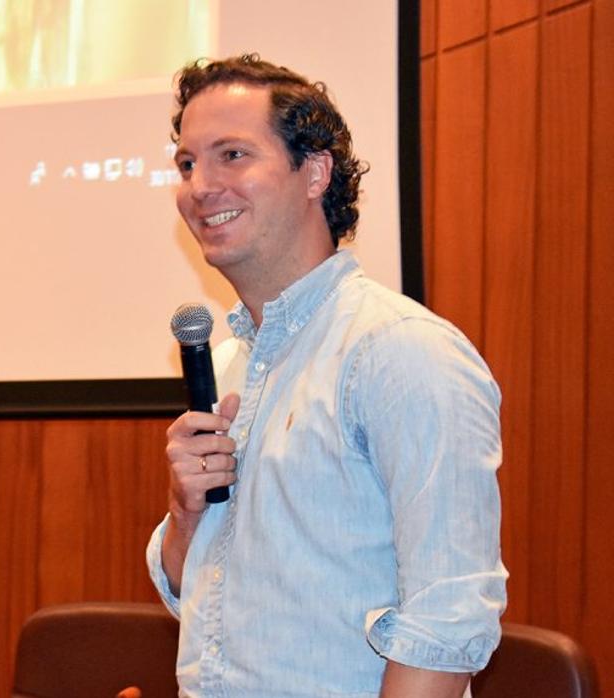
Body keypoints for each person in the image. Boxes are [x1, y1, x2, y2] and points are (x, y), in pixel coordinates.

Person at [146, 54, 507, 697]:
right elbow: (200, 598)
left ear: (315, 172)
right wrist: (184, 510)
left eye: (232, 154)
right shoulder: (234, 364)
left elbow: (447, 620)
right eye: (187, 163)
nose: (200, 186)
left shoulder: (401, 353)